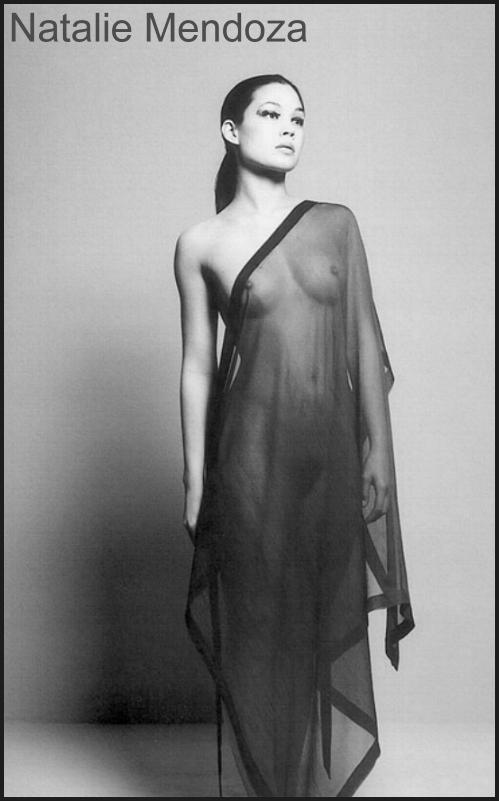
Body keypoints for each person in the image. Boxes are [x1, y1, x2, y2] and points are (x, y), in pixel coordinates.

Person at [174, 74, 415, 798]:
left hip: (330, 457)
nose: (288, 128)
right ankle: (269, 787)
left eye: (298, 118)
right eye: (271, 113)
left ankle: (307, 788)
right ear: (231, 130)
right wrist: (194, 481)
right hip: (248, 459)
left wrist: (380, 450)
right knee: (262, 625)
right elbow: (197, 366)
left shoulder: (336, 223)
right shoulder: (200, 242)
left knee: (320, 619)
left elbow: (365, 341)